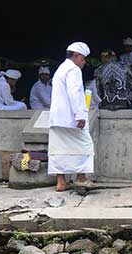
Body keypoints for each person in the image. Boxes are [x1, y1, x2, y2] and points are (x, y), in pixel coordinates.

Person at [48, 42, 96, 192]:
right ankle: (81, 178)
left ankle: (61, 182)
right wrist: (80, 115)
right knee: (85, 145)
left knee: (59, 148)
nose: (84, 62)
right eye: (83, 58)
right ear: (76, 56)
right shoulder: (73, 70)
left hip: (57, 118)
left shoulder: (61, 69)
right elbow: (75, 93)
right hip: (70, 117)